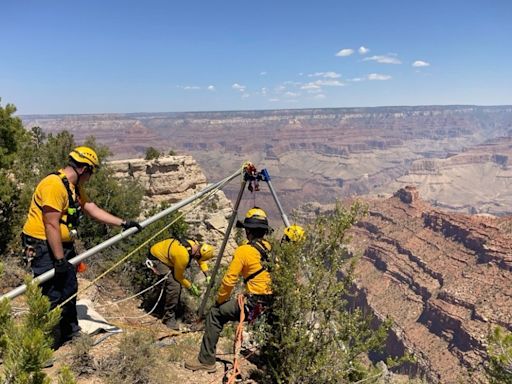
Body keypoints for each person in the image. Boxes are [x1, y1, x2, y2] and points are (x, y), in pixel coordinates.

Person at [21, 146, 141, 348]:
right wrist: (59, 260)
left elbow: (90, 208)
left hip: (61, 244)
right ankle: (41, 345)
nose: (91, 177)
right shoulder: (54, 185)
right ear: (85, 169)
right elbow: (51, 224)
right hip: (42, 245)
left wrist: (123, 223)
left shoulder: (72, 186)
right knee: (50, 293)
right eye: (92, 172)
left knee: (69, 287)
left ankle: (69, 332)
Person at [185, 207, 273, 373]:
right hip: (272, 302)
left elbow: (229, 280)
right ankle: (272, 363)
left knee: (215, 314)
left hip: (254, 303)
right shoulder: (270, 248)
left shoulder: (244, 250)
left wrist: (219, 301)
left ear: (248, 231)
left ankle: (206, 360)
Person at [146, 237, 215, 330]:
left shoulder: (195, 245)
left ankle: (159, 305)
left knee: (171, 284)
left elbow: (201, 260)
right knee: (175, 286)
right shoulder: (183, 255)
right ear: (198, 253)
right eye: (198, 257)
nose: (197, 259)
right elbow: (178, 276)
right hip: (157, 258)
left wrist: (207, 275)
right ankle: (168, 318)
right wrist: (191, 287)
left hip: (166, 255)